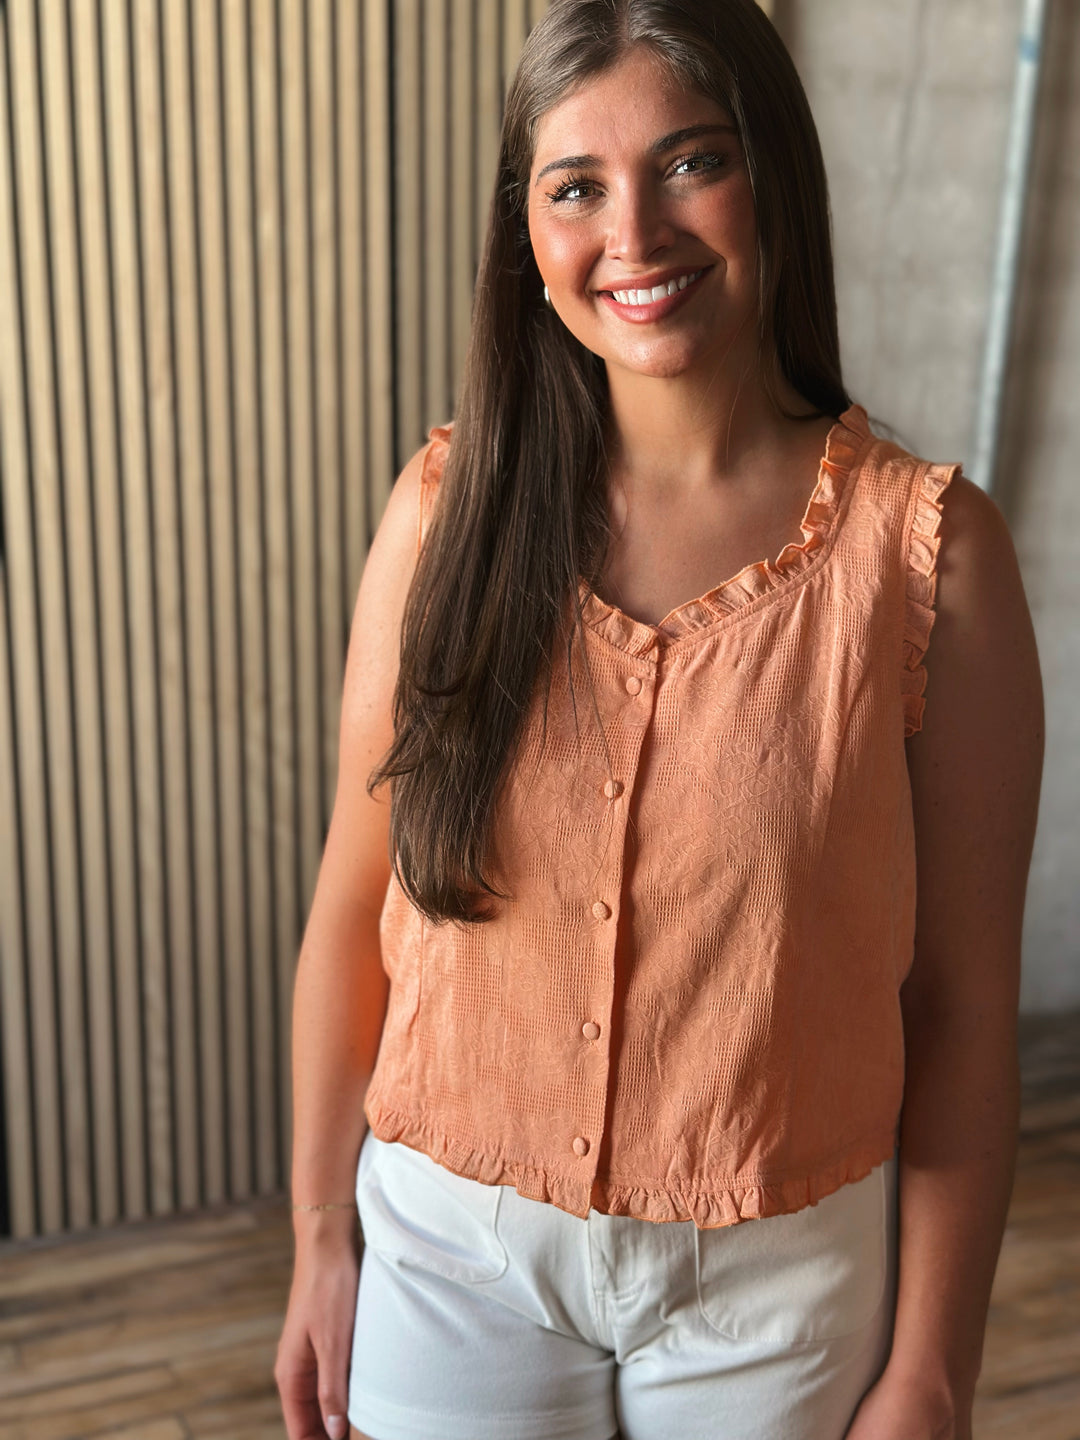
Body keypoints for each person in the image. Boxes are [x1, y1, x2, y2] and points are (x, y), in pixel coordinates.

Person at [274, 2, 1044, 1438]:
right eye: (577, 186)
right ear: (529, 234)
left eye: (690, 163)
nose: (633, 232)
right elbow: (352, 894)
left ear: (774, 181)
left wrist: (932, 1367)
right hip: (450, 1253)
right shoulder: (442, 517)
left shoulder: (934, 563)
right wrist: (325, 1236)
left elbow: (960, 1009)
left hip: (784, 1280)